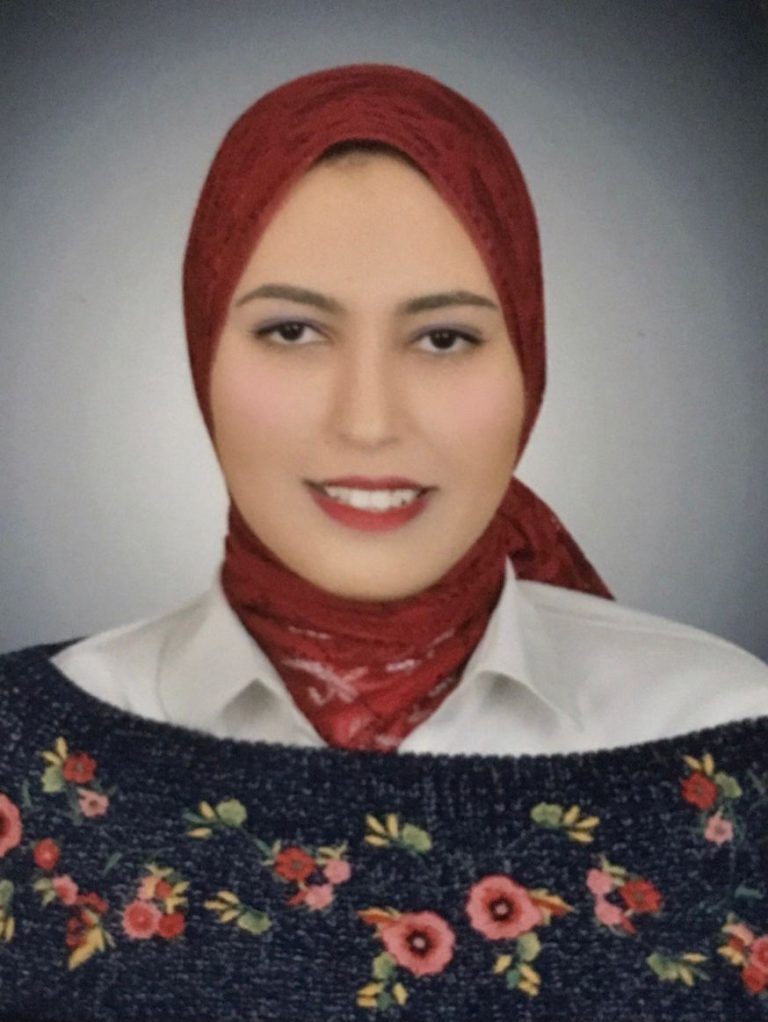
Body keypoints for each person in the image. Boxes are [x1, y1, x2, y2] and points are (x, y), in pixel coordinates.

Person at [1, 63, 766, 1022]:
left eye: (444, 339)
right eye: (292, 331)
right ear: (202, 356)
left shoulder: (733, 738)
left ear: (528, 363)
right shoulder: (22, 748)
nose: (368, 422)